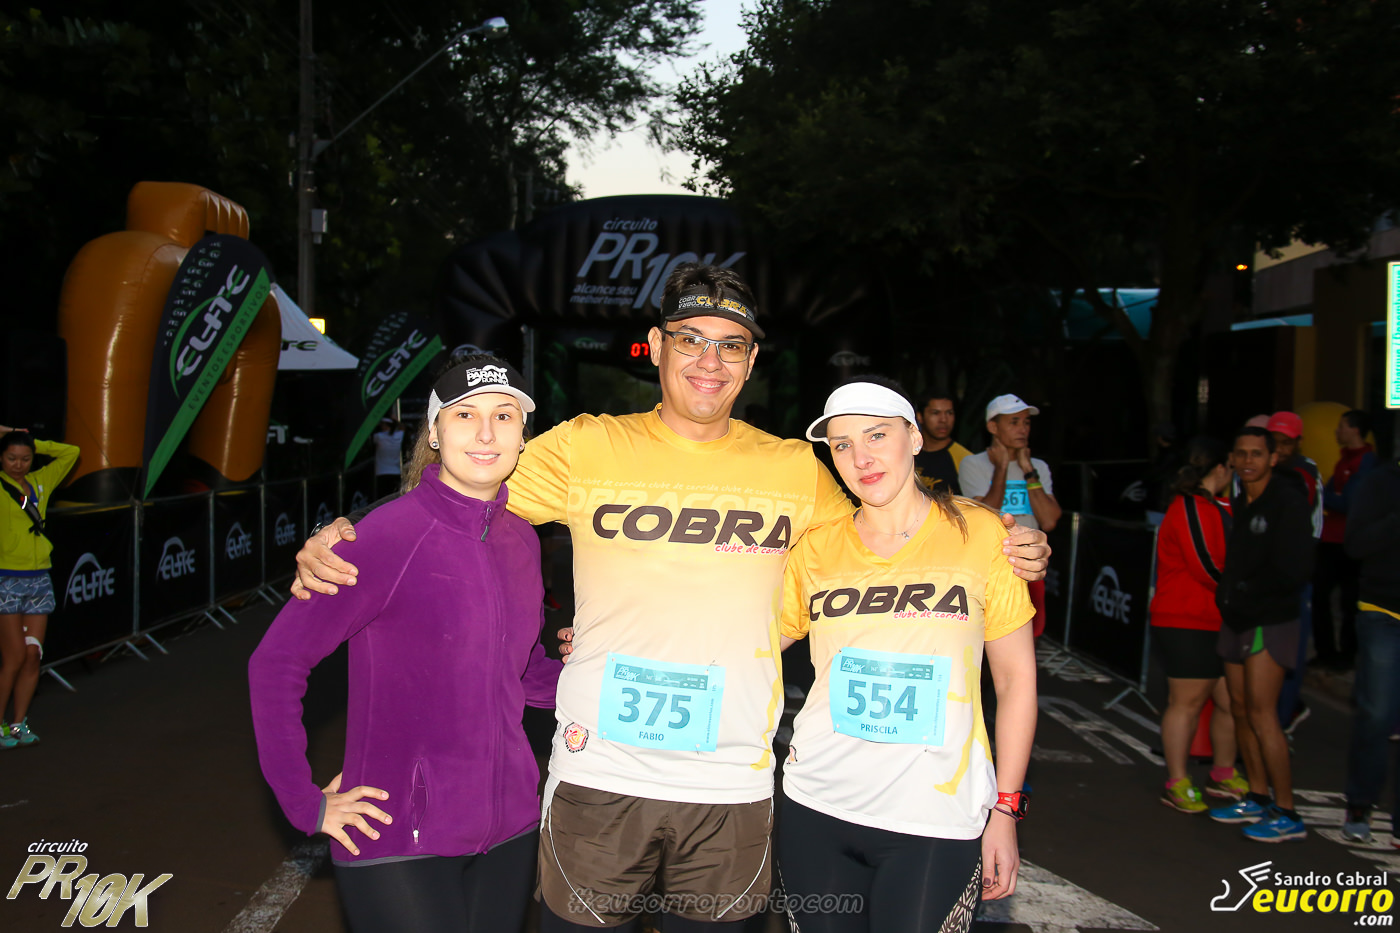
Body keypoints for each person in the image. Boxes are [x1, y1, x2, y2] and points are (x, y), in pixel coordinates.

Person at [293, 263, 1052, 932]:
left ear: (750, 362)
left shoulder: (795, 468)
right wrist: (350, 533)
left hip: (731, 785)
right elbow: (456, 491)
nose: (708, 361)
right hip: (599, 776)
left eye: (730, 345)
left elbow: (884, 528)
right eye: (690, 339)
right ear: (656, 346)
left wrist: (1004, 535)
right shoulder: (587, 446)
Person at [249, 356, 562, 933]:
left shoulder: (522, 538)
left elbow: (525, 671)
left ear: (523, 436)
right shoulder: (383, 537)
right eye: (464, 415)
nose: (486, 433)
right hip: (397, 836)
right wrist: (303, 800)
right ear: (435, 433)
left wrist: (604, 679)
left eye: (504, 416)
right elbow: (276, 663)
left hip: (511, 827)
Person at [777, 378, 1037, 932]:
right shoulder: (815, 548)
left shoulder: (984, 536)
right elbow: (743, 645)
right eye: (842, 445)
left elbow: (1016, 681)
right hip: (817, 804)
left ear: (915, 439)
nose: (861, 457)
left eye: (877, 435)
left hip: (936, 817)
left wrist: (1006, 809)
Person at [1207, 427, 1314, 842]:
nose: (1247, 460)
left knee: (1262, 712)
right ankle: (1257, 796)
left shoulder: (1288, 501)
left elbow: (1294, 569)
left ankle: (1287, 811)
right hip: (1236, 618)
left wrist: (1247, 594)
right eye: (1241, 453)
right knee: (1238, 708)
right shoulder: (1241, 498)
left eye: (1256, 453)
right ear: (1232, 459)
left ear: (1273, 458)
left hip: (1269, 620)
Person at [1148, 436, 1247, 813]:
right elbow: (1205, 563)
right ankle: (1177, 781)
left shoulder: (1216, 505)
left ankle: (1222, 773)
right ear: (1221, 468)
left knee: (1231, 701)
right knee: (1186, 703)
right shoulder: (1189, 505)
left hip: (1218, 618)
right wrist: (1243, 594)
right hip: (1185, 618)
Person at [0, 427, 79, 749]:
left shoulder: (41, 481)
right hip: (5, 578)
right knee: (14, 657)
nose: (18, 465)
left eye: (25, 458)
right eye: (11, 458)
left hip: (39, 579)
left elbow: (71, 452)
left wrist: (33, 441)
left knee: (33, 655)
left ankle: (18, 724)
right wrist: (6, 432)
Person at [959, 394, 1061, 636]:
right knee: (986, 635)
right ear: (993, 427)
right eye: (1014, 422)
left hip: (1029, 564)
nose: (1022, 429)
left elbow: (1049, 520)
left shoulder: (1037, 466)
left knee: (1032, 633)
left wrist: (1028, 471)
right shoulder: (972, 464)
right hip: (988, 566)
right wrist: (1002, 467)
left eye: (1026, 422)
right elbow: (984, 515)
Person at [1340, 455, 1400, 843]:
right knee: (1378, 715)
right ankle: (1361, 802)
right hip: (1384, 613)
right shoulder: (1381, 481)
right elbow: (1355, 544)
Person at [1264, 411, 1322, 733]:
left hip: (1293, 578)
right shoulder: (1261, 465)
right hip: (1262, 577)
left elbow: (1298, 527)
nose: (1281, 448)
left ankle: (1282, 720)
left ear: (1298, 442)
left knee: (1288, 653)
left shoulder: (1304, 473)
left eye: (1287, 442)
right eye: (1275, 441)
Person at [1314, 409, 1377, 669]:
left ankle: (1346, 655)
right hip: (1331, 539)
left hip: (1349, 540)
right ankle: (1327, 653)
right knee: (1321, 597)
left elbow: (1347, 501)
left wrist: (1329, 496)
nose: (1337, 431)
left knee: (1349, 602)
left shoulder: (1365, 462)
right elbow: (1330, 495)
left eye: (1342, 426)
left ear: (1354, 430)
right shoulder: (1345, 460)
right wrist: (1331, 496)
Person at [912, 391, 971, 494]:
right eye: (935, 413)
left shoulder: (965, 459)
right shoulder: (907, 453)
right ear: (920, 417)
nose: (943, 420)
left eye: (949, 413)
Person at [371, 417, 404, 498]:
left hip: (381, 472)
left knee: (382, 498)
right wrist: (395, 421)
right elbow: (403, 427)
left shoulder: (379, 437)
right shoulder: (399, 436)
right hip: (396, 472)